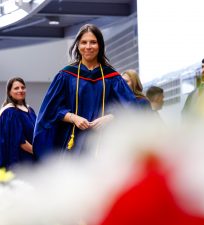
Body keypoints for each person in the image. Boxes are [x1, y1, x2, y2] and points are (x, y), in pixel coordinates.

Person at [33, 24, 137, 160]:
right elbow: (50, 110)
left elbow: (132, 109)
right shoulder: (65, 76)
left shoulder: (112, 78)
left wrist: (111, 117)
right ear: (77, 45)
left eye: (93, 42)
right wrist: (73, 117)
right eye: (84, 42)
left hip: (103, 144)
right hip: (72, 143)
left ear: (100, 45)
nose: (88, 47)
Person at [0, 77, 36, 169]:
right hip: (20, 162)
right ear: (9, 92)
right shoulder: (10, 112)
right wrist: (38, 152)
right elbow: (20, 141)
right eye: (16, 88)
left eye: (23, 87)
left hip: (32, 157)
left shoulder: (30, 110)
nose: (20, 90)